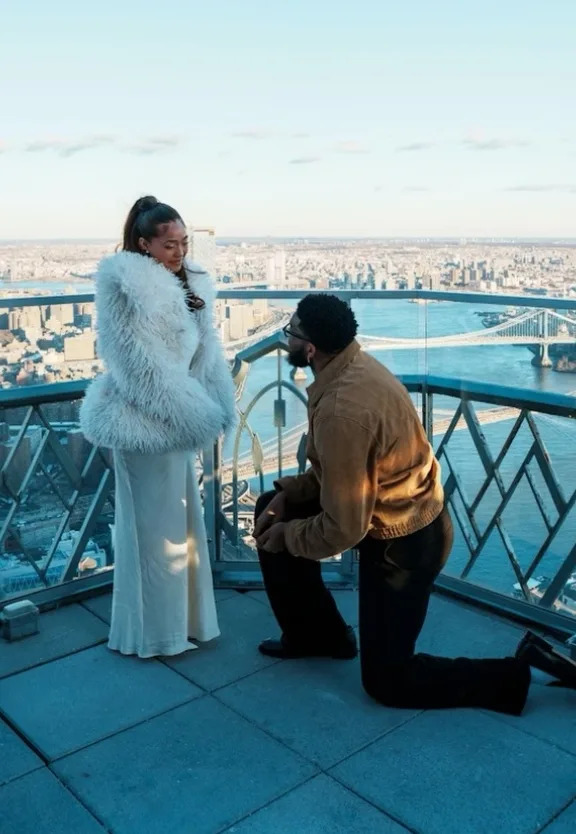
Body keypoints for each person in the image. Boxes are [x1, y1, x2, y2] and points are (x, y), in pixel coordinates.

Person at [254, 293, 576, 715]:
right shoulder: (354, 366)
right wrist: (287, 494)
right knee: (268, 504)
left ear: (310, 348)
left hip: (403, 545)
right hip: (398, 516)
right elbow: (341, 470)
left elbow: (343, 528)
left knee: (389, 682)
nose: (287, 339)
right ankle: (319, 637)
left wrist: (284, 535)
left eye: (291, 332)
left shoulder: (340, 410)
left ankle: (521, 672)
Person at [80, 196, 236, 658]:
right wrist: (196, 415)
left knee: (182, 523)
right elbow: (136, 367)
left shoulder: (189, 283)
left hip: (179, 420)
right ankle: (152, 635)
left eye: (184, 242)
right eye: (169, 244)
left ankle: (188, 624)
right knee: (150, 533)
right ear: (143, 244)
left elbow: (204, 354)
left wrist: (208, 405)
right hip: (144, 423)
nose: (179, 251)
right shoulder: (128, 290)